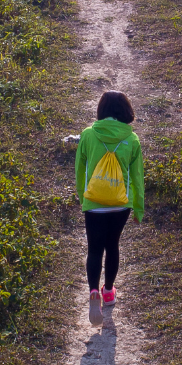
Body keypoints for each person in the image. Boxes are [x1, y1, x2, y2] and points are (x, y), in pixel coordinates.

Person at [74, 90, 145, 308]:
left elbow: (79, 170)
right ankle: (108, 292)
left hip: (94, 204)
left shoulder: (87, 135)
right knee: (112, 246)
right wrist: (138, 209)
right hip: (120, 204)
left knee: (94, 249)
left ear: (101, 110)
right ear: (125, 111)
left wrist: (83, 198)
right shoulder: (132, 139)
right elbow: (137, 178)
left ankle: (93, 290)